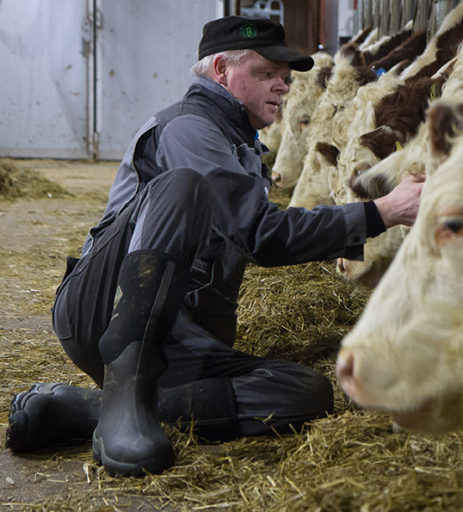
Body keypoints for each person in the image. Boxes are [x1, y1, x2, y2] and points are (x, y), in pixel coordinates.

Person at [4, 16, 424, 477]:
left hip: (175, 334)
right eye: (266, 74)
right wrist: (380, 212)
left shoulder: (241, 146)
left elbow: (267, 233)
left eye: (284, 78)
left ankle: (87, 410)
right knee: (182, 186)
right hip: (104, 312)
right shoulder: (190, 130)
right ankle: (123, 397)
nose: (282, 87)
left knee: (304, 391)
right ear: (222, 70)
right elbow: (264, 235)